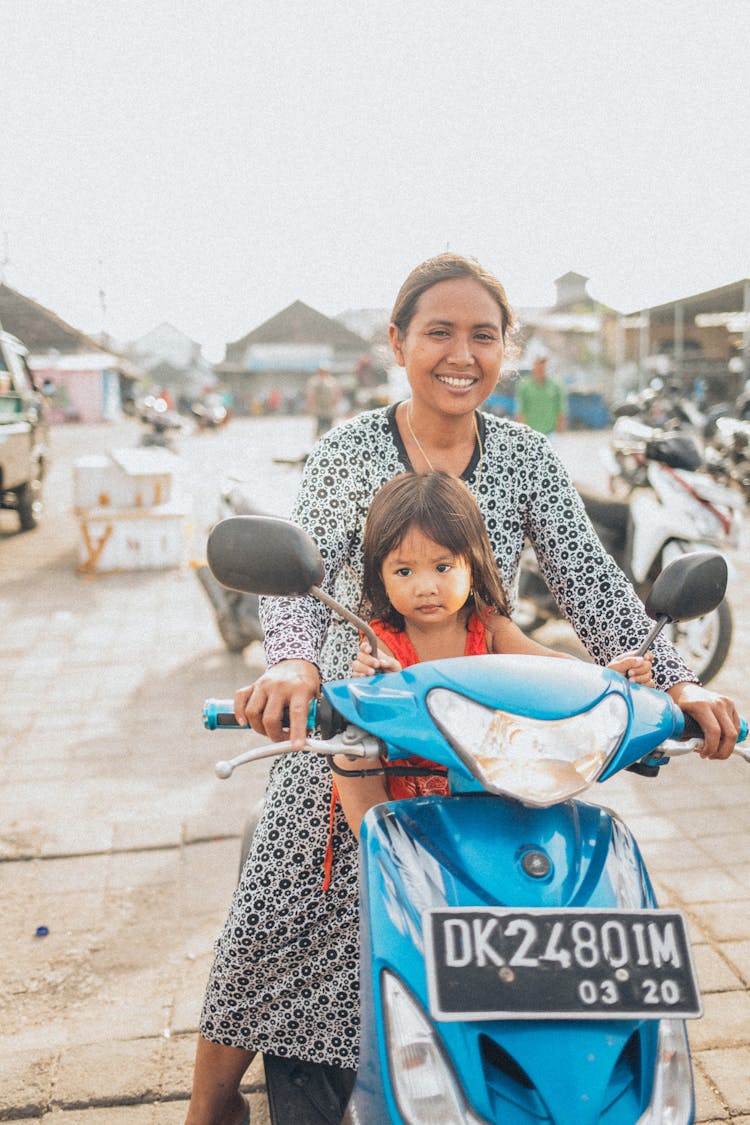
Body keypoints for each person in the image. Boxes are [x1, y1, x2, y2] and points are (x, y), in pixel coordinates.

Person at [186, 253, 739, 1125]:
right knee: (275, 909)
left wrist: (669, 681)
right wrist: (293, 666)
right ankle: (210, 1099)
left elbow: (591, 584)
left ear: (506, 350)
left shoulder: (526, 455)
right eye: (439, 331)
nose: (461, 352)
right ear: (399, 342)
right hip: (353, 719)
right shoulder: (348, 450)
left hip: (493, 738)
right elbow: (301, 580)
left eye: (483, 335)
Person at [332, 470, 654, 836]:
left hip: (498, 791)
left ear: (472, 563)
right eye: (404, 571)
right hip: (412, 801)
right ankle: (384, 856)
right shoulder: (382, 639)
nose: (425, 587)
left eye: (442, 567)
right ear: (380, 576)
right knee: (347, 753)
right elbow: (375, 681)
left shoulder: (489, 628)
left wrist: (606, 678)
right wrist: (375, 680)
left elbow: (552, 667)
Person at [515, 347, 566, 440]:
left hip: (551, 434)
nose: (541, 367)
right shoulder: (525, 386)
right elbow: (521, 411)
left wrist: (558, 433)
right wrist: (522, 433)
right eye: (538, 363)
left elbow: (560, 410)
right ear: (534, 365)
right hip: (531, 434)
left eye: (543, 363)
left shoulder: (556, 386)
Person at [305, 364, 341, 438]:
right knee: (319, 427)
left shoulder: (332, 381)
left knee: (330, 429)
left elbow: (337, 394)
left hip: (329, 409)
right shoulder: (314, 381)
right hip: (319, 409)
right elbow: (310, 395)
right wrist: (310, 406)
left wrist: (335, 406)